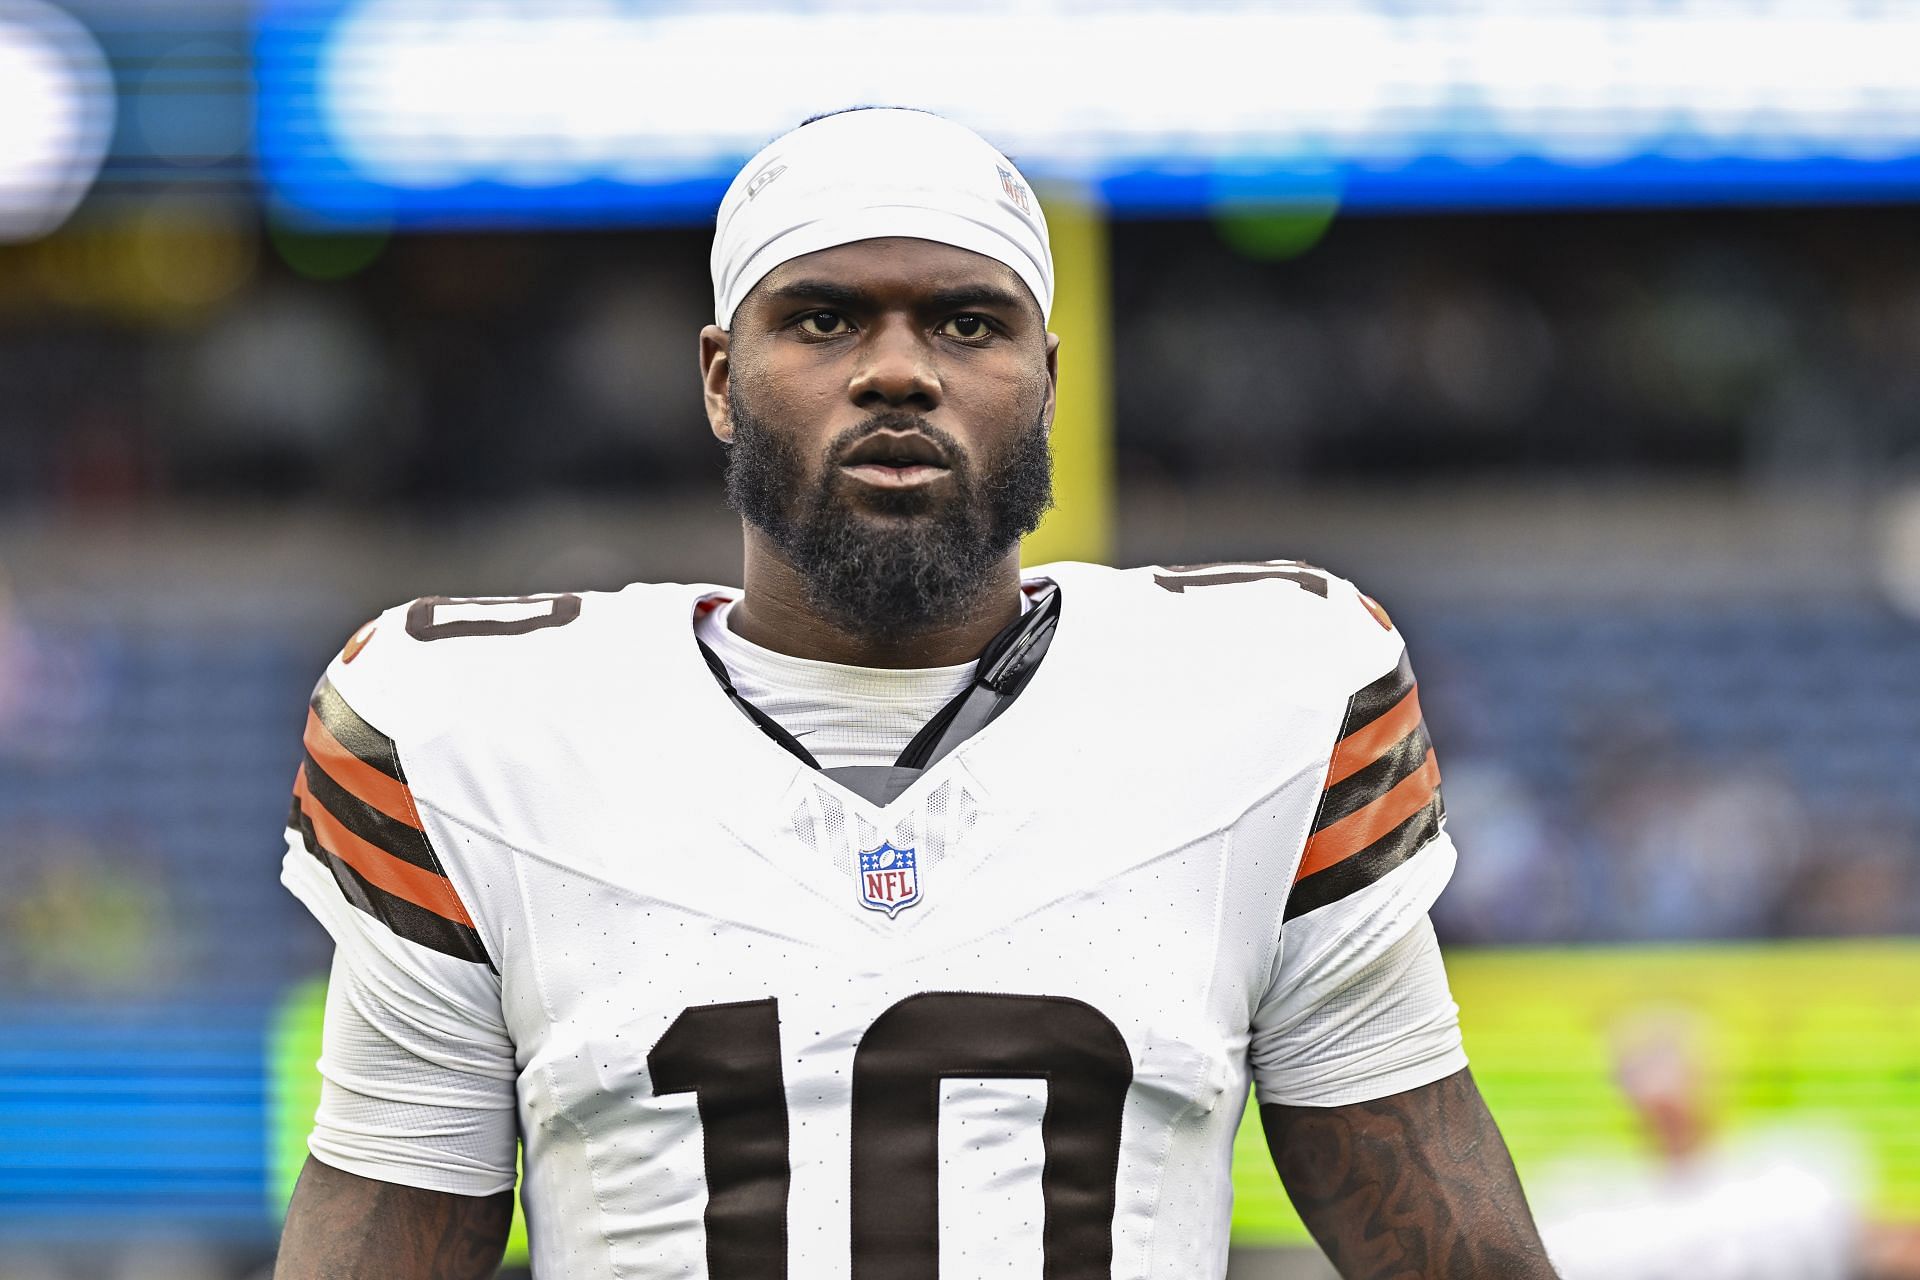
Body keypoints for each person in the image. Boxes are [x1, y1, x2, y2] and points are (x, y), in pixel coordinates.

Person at [273, 108, 1555, 1280]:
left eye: (966, 321)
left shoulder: (1269, 700)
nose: (898, 371)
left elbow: (1453, 1249)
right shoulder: (472, 733)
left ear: (1050, 376)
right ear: (721, 377)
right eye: (825, 319)